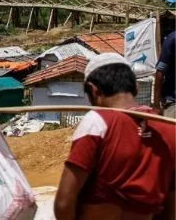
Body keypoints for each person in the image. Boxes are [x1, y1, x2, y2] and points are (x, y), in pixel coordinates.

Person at [54, 53, 175, 220]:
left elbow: (63, 203)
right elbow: (171, 208)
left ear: (93, 90)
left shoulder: (97, 122)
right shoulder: (170, 129)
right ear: (136, 87)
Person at [154, 30, 175, 117]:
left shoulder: (172, 38)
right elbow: (160, 72)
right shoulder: (173, 39)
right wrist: (156, 104)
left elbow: (160, 71)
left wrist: (156, 105)